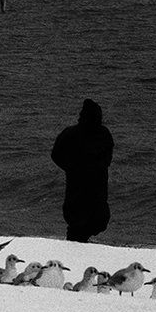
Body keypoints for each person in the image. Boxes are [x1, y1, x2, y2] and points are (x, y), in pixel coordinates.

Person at [52, 99, 114, 242]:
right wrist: (72, 168)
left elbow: (56, 154)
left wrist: (71, 168)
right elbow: (56, 154)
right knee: (80, 219)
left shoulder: (100, 134)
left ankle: (79, 241)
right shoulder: (98, 133)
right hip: (84, 182)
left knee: (90, 218)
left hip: (91, 183)